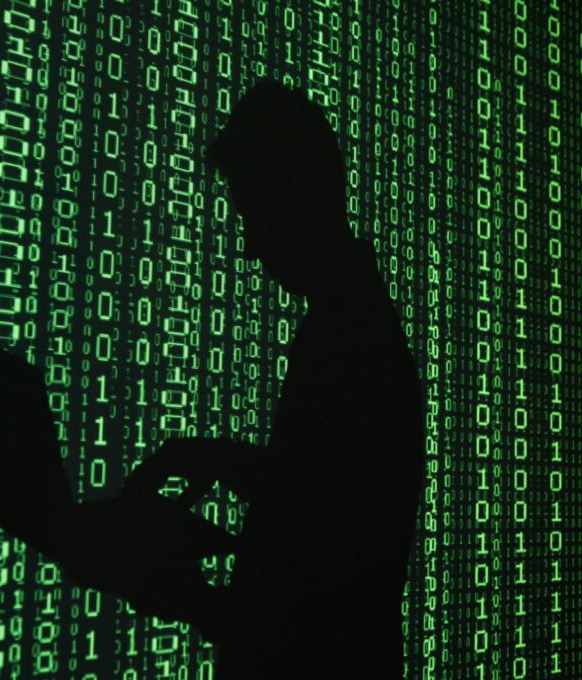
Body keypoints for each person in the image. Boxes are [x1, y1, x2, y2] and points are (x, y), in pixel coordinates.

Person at [124, 80, 426, 676]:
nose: (250, 248)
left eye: (253, 215)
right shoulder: (353, 320)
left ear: (294, 196)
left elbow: (326, 594)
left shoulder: (350, 340)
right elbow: (317, 490)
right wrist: (212, 457)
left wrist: (182, 596)